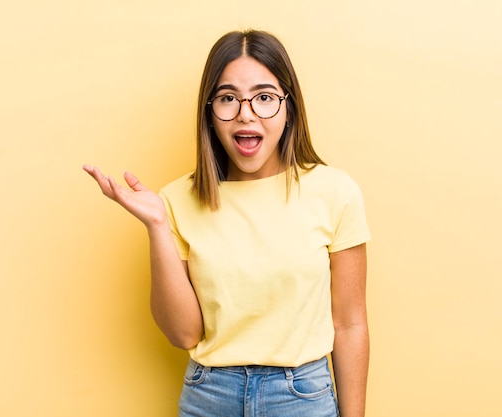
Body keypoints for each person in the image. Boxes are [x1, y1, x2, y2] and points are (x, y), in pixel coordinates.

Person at [83, 29, 371, 417]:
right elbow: (184, 333)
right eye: (228, 98)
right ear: (209, 111)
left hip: (301, 397)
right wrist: (156, 226)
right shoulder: (175, 201)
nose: (245, 113)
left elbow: (350, 324)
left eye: (265, 97)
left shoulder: (335, 191)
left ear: (289, 108)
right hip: (209, 395)